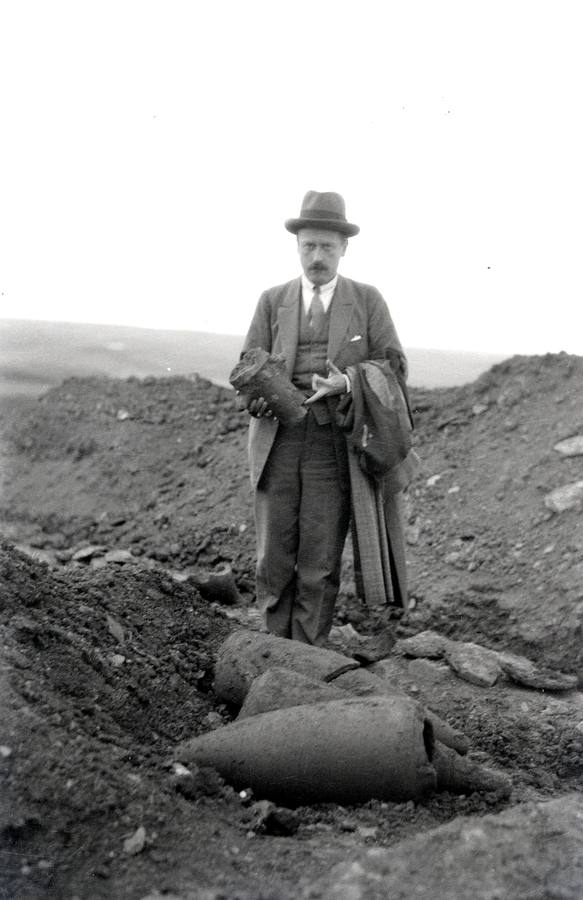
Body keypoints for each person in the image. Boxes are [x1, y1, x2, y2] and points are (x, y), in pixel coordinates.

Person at [240, 190, 409, 646]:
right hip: (278, 440)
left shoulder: (367, 301)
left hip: (333, 444)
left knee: (319, 558)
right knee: (274, 555)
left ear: (344, 248)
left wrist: (349, 382)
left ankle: (308, 656)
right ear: (297, 246)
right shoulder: (272, 301)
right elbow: (247, 365)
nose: (317, 257)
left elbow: (394, 365)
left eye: (327, 247)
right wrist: (258, 396)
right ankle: (274, 650)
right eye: (309, 246)